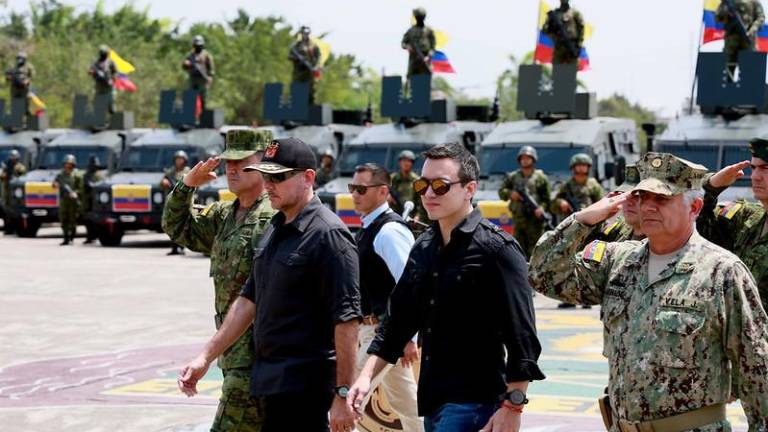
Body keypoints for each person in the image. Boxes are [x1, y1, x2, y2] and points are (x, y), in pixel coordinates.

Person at [529, 152, 768, 430]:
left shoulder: (723, 272)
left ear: (695, 207)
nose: (649, 207)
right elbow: (542, 275)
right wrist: (582, 220)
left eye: (663, 199)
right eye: (643, 198)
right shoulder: (617, 261)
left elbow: (757, 368)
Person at [349, 143, 545, 432]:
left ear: (470, 189)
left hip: (475, 405)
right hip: (433, 401)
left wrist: (513, 406)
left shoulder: (498, 250)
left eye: (440, 185)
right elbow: (398, 323)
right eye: (423, 184)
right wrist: (365, 378)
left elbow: (523, 336)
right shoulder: (423, 248)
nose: (428, 193)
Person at [177, 137, 361, 432]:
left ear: (308, 177)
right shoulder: (276, 229)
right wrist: (205, 358)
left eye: (278, 176)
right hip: (272, 381)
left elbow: (347, 322)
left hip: (306, 387)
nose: (269, 184)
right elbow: (248, 299)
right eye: (266, 175)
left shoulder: (328, 235)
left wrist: (342, 394)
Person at [163, 130, 276, 432]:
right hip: (234, 354)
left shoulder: (275, 216)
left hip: (260, 354)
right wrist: (187, 186)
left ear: (265, 163)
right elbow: (177, 227)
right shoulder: (226, 215)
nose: (232, 168)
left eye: (242, 161)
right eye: (228, 161)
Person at [349, 163, 422, 432]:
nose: (355, 194)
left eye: (361, 189)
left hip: (382, 333)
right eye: (352, 188)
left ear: (383, 192)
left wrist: (409, 337)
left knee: (348, 402)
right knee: (410, 407)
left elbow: (411, 284)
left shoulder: (389, 231)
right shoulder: (369, 228)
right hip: (374, 331)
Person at [697, 136, 768, 313]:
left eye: (765, 169)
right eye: (753, 168)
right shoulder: (746, 218)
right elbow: (695, 228)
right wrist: (711, 187)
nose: (756, 177)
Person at [497, 146, 551, 259]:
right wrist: (511, 193)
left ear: (533, 159)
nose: (525, 160)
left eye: (528, 158)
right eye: (523, 158)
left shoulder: (541, 178)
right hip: (519, 220)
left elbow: (546, 199)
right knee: (517, 249)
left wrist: (541, 208)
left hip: (535, 222)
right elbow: (501, 191)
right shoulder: (512, 177)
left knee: (537, 250)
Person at [716, 0, 765, 79]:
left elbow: (761, 18)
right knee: (726, 72)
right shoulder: (728, 2)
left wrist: (752, 30)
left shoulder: (754, 2)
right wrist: (726, 11)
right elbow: (717, 17)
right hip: (731, 42)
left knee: (749, 73)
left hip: (748, 41)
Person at [163, 150, 190, 255]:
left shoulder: (188, 171)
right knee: (172, 225)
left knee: (183, 225)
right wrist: (164, 182)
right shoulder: (171, 172)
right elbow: (163, 181)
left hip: (184, 201)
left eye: (181, 159)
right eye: (177, 159)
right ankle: (174, 247)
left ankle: (181, 246)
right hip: (173, 202)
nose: (179, 161)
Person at [542, 0, 585, 65]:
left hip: (572, 47)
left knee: (570, 72)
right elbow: (545, 30)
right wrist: (553, 32)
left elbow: (581, 30)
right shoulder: (554, 14)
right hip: (558, 47)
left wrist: (578, 46)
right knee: (558, 72)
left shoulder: (575, 13)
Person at [54, 154, 82, 246]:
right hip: (64, 199)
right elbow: (55, 183)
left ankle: (72, 236)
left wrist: (75, 193)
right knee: (63, 218)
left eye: (69, 163)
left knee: (72, 219)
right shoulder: (61, 174)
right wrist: (55, 185)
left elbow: (81, 188)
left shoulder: (77, 175)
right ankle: (66, 237)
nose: (68, 165)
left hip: (73, 201)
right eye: (66, 163)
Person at [390, 150, 426, 222]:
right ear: (399, 162)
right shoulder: (392, 179)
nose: (406, 163)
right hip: (393, 216)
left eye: (409, 161)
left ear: (412, 163)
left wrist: (417, 216)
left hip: (411, 217)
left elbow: (421, 201)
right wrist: (386, 197)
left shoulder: (417, 181)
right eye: (404, 160)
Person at [288, 26, 321, 105]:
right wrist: (297, 58)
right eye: (303, 33)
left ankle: (311, 109)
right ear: (301, 34)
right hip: (298, 72)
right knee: (296, 91)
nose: (305, 35)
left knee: (310, 92)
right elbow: (289, 56)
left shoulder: (313, 46)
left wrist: (315, 66)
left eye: (306, 33)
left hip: (309, 72)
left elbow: (318, 57)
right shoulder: (296, 45)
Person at [401, 8, 436, 81]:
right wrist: (408, 47)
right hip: (414, 60)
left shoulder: (429, 30)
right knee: (412, 80)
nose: (418, 19)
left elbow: (433, 47)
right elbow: (403, 43)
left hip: (425, 59)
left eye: (420, 17)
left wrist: (428, 56)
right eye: (417, 17)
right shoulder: (411, 30)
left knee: (425, 80)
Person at [183, 35, 214, 112]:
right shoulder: (190, 55)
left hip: (202, 80)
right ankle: (190, 118)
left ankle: (203, 117)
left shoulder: (206, 54)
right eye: (196, 45)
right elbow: (184, 65)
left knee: (203, 99)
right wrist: (186, 64)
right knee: (191, 98)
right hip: (193, 79)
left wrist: (210, 77)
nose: (197, 46)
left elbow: (211, 68)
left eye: (199, 45)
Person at [88, 45, 117, 114]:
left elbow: (115, 72)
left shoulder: (110, 62)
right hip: (99, 87)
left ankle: (115, 122)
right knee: (98, 107)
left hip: (109, 87)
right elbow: (90, 71)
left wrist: (112, 80)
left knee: (111, 108)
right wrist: (95, 73)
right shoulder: (96, 63)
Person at [81, 156, 103, 244]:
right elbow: (86, 185)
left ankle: (95, 236)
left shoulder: (100, 175)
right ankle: (90, 236)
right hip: (88, 200)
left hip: (96, 201)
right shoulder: (86, 175)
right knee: (87, 220)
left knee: (96, 221)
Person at [6, 52, 34, 117]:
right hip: (15, 87)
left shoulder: (29, 66)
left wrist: (26, 81)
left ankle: (28, 117)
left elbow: (32, 76)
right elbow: (8, 74)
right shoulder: (13, 66)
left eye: (21, 58)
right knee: (15, 103)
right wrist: (9, 77)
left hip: (24, 88)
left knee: (26, 102)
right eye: (18, 58)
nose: (20, 60)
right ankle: (15, 119)